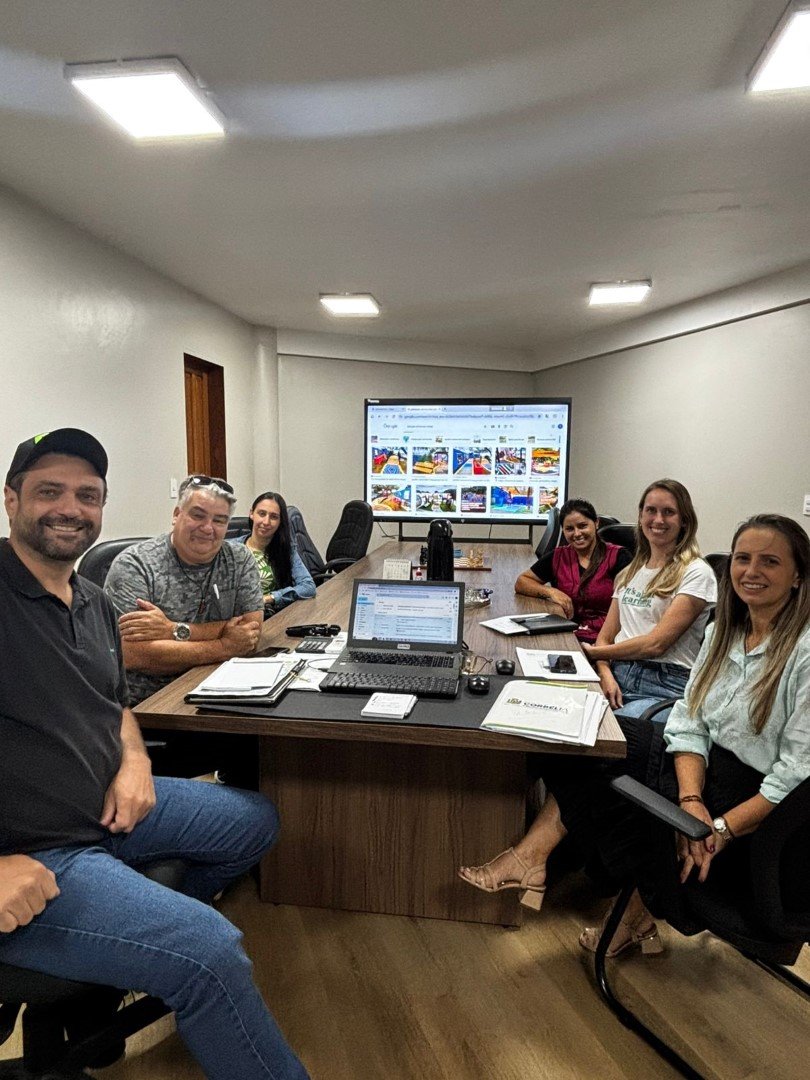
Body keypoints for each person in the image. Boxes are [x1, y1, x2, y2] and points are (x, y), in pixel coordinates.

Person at [0, 428, 309, 1079]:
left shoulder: (88, 599)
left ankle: (113, 965)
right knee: (209, 951)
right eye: (49, 491)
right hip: (36, 851)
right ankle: (158, 954)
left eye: (88, 495)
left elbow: (115, 703)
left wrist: (135, 763)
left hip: (107, 807)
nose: (70, 508)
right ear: (11, 499)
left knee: (255, 820)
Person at [459, 514, 809, 959]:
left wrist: (718, 828)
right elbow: (689, 722)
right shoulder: (725, 632)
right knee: (582, 740)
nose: (751, 571)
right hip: (701, 762)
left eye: (770, 562)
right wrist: (690, 798)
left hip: (757, 801)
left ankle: (607, 898)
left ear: (798, 575)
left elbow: (795, 775)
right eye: (743, 559)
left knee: (621, 791)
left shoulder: (804, 652)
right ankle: (541, 862)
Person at [104, 474, 264, 706]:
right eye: (198, 515)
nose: (207, 528)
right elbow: (133, 654)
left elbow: (250, 632)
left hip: (222, 691)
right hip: (150, 706)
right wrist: (223, 646)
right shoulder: (134, 565)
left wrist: (172, 630)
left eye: (219, 520)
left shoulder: (239, 559)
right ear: (176, 514)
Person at [580, 479, 717, 719]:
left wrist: (593, 654)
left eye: (669, 512)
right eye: (651, 510)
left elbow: (655, 645)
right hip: (617, 675)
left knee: (607, 726)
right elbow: (606, 636)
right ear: (641, 516)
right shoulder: (630, 572)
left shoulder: (697, 572)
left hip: (663, 686)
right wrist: (605, 672)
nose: (658, 520)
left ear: (685, 520)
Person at [515, 498, 632, 643]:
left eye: (582, 526)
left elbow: (630, 607)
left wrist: (601, 647)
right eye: (569, 529)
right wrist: (552, 592)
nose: (577, 533)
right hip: (568, 635)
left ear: (596, 523)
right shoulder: (559, 556)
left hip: (606, 640)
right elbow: (522, 581)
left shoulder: (619, 557)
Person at [234, 491, 316, 617]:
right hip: (237, 618)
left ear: (280, 521)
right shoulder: (231, 549)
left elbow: (308, 587)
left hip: (271, 616)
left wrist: (271, 598)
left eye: (273, 517)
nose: (266, 522)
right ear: (251, 513)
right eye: (262, 514)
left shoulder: (286, 550)